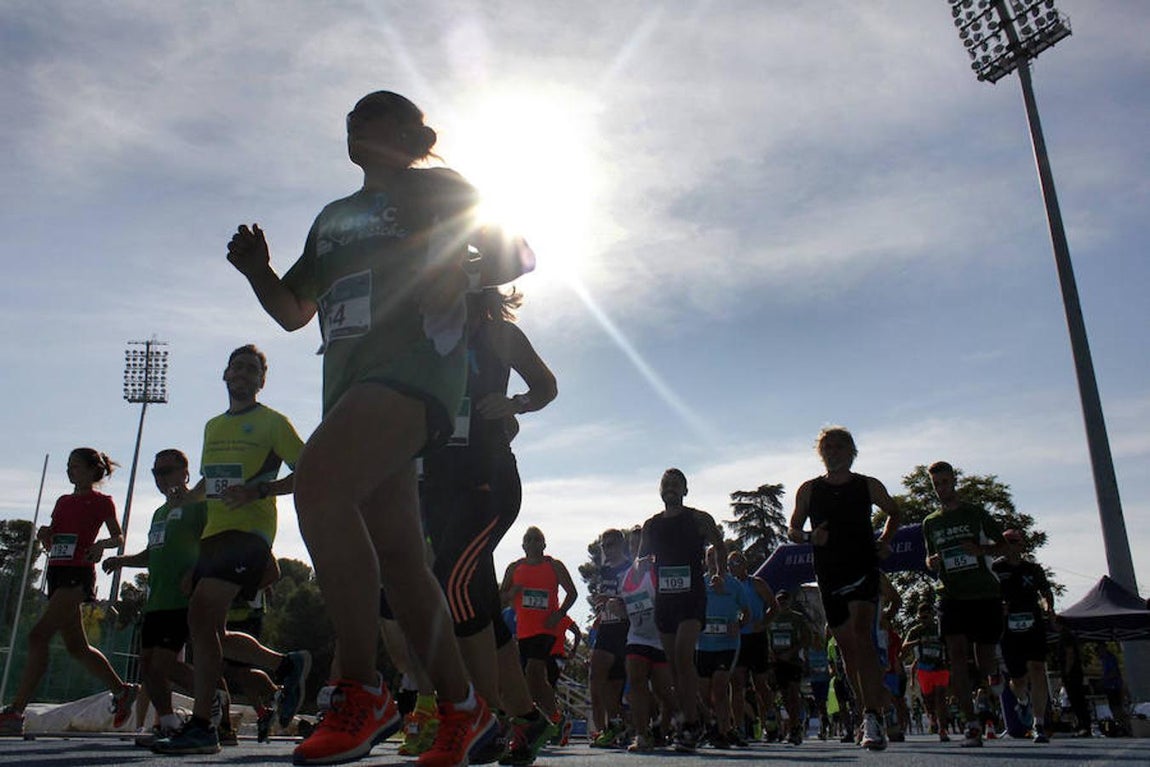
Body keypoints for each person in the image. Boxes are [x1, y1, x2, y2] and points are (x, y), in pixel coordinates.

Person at [228, 89, 533, 766]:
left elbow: (519, 255)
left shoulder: (440, 189)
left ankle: (360, 687)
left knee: (318, 486)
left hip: (415, 372)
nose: (354, 124)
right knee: (399, 556)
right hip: (350, 391)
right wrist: (258, 272)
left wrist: (462, 268)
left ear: (405, 132)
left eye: (372, 114)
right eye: (350, 117)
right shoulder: (333, 219)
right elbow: (291, 311)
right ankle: (462, 706)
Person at [420, 285, 557, 765]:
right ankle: (527, 718)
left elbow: (547, 386)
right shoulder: (423, 330)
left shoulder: (501, 336)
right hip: (436, 487)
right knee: (476, 605)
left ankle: (483, 717)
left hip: (488, 482)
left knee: (449, 585)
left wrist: (515, 403)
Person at [152, 345, 308, 755]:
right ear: (224, 375)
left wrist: (261, 489)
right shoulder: (212, 426)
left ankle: (203, 725)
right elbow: (211, 484)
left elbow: (309, 469)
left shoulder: (274, 423)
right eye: (236, 366)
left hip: (250, 533)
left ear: (261, 381)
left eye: (251, 369)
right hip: (214, 538)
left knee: (200, 617)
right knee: (212, 631)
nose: (242, 373)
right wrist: (186, 501)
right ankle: (285, 664)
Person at [0, 449, 138, 736]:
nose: (70, 471)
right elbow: (55, 532)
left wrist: (102, 545)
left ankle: (16, 711)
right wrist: (45, 535)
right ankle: (122, 691)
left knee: (37, 635)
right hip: (57, 571)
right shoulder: (63, 501)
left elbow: (118, 535)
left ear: (92, 471)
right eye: (68, 466)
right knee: (77, 647)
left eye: (75, 466)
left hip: (78, 574)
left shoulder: (102, 502)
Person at [787, 426, 900, 750]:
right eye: (827, 447)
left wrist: (885, 540)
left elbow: (894, 512)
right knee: (848, 648)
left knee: (863, 635)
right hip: (829, 573)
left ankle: (872, 715)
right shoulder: (809, 490)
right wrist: (811, 538)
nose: (833, 452)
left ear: (851, 451)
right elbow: (793, 530)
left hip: (863, 567)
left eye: (839, 446)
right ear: (820, 453)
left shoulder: (868, 485)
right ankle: (871, 705)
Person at [101, 449, 207, 745]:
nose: (161, 478)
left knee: (162, 665)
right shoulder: (159, 513)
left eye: (167, 471)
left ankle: (215, 699)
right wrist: (122, 560)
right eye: (156, 473)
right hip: (156, 600)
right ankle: (169, 722)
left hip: (181, 599)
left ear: (185, 473)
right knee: (148, 668)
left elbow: (213, 543)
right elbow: (152, 553)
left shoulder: (199, 506)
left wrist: (195, 573)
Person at [637, 468, 727, 752]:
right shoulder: (651, 525)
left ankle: (689, 724)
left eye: (677, 484)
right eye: (667, 484)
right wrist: (640, 567)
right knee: (675, 668)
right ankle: (703, 719)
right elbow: (641, 557)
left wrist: (719, 574)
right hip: (665, 600)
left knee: (682, 656)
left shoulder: (698, 518)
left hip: (691, 597)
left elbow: (719, 544)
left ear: (685, 490)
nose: (671, 487)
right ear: (660, 490)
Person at [921, 460, 1009, 748]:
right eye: (936, 484)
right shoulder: (931, 522)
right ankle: (971, 724)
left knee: (982, 659)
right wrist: (931, 562)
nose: (941, 488)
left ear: (954, 482)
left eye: (945, 482)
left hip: (983, 593)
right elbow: (929, 557)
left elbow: (1005, 546)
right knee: (956, 657)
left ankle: (992, 676)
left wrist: (981, 549)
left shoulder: (975, 513)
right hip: (951, 594)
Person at [501, 527, 578, 734]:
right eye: (529, 539)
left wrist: (560, 614)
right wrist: (511, 594)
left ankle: (537, 720)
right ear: (523, 545)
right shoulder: (514, 568)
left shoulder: (554, 566)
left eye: (538, 539)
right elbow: (500, 599)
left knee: (533, 671)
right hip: (524, 632)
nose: (534, 543)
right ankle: (554, 718)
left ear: (544, 544)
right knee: (533, 679)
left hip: (546, 629)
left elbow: (572, 593)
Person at [992, 528, 1056, 743]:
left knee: (1037, 668)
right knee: (1018, 680)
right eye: (1006, 541)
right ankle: (1023, 700)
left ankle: (1039, 724)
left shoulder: (1033, 569)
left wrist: (1050, 610)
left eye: (1014, 541)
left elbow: (1046, 592)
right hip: (1008, 628)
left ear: (1021, 544)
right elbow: (987, 595)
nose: (1010, 545)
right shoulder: (995, 568)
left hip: (1032, 622)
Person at [615, 554, 676, 752]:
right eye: (633, 546)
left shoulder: (656, 572)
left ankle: (665, 727)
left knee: (664, 692)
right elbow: (625, 609)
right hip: (637, 638)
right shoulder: (624, 577)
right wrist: (614, 607)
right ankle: (641, 734)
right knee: (636, 682)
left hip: (661, 639)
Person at [695, 546, 748, 749]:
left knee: (720, 687)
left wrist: (739, 624)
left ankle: (724, 731)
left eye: (716, 557)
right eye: (709, 556)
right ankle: (712, 728)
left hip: (727, 644)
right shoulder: (699, 583)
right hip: (704, 645)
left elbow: (746, 612)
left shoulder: (734, 585)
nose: (712, 560)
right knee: (703, 692)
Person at [727, 550, 778, 747]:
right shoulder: (729, 585)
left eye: (737, 563)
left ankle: (771, 718)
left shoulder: (756, 583)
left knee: (760, 684)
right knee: (737, 684)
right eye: (730, 564)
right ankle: (738, 726)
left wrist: (763, 623)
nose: (733, 567)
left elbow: (774, 607)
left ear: (744, 564)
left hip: (756, 638)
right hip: (738, 639)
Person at [588, 528, 632, 748]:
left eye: (611, 544)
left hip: (624, 629)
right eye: (604, 546)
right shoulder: (604, 570)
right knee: (597, 680)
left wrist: (613, 600)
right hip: (606, 627)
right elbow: (603, 600)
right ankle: (605, 729)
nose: (607, 549)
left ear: (621, 544)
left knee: (612, 686)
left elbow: (636, 598)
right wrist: (601, 608)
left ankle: (614, 728)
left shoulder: (630, 568)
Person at [768, 588, 813, 746]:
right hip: (777, 661)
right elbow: (765, 636)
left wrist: (793, 651)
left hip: (793, 661)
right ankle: (793, 724)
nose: (782, 603)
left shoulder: (797, 618)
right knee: (785, 696)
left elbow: (807, 638)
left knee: (793, 692)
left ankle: (795, 728)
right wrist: (770, 653)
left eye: (785, 600)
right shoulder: (770, 616)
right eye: (779, 600)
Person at [903, 602, 951, 741]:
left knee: (941, 697)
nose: (925, 620)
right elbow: (904, 647)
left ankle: (943, 729)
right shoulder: (915, 631)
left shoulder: (940, 629)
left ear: (933, 615)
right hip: (924, 669)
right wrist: (917, 642)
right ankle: (932, 716)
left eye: (928, 616)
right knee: (928, 699)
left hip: (940, 667)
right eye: (922, 617)